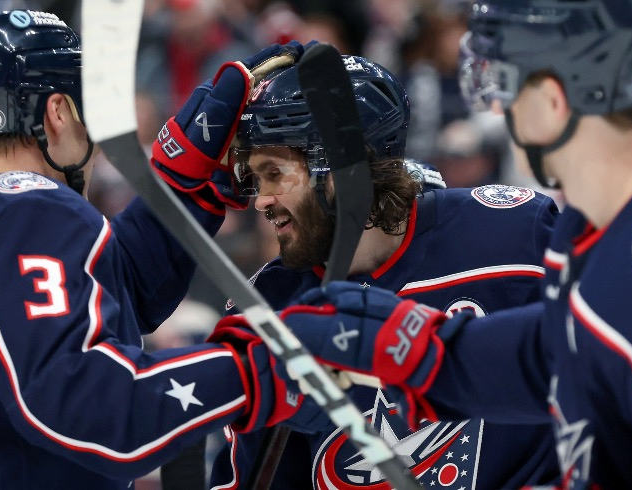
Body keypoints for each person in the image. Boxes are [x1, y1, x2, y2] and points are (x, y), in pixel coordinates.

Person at [257, 0, 632, 488]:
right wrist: (424, 350)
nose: (500, 114)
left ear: (553, 101)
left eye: (506, 90)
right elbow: (563, 355)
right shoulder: (610, 219)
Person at [0, 10, 307, 488]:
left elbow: (104, 298)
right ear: (58, 111)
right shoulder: (32, 209)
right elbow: (87, 407)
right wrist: (263, 366)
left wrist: (185, 184)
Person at [207, 55, 561, 489]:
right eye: (254, 180)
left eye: (275, 174)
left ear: (344, 164)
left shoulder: (513, 231)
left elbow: (605, 384)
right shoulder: (265, 307)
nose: (260, 201)